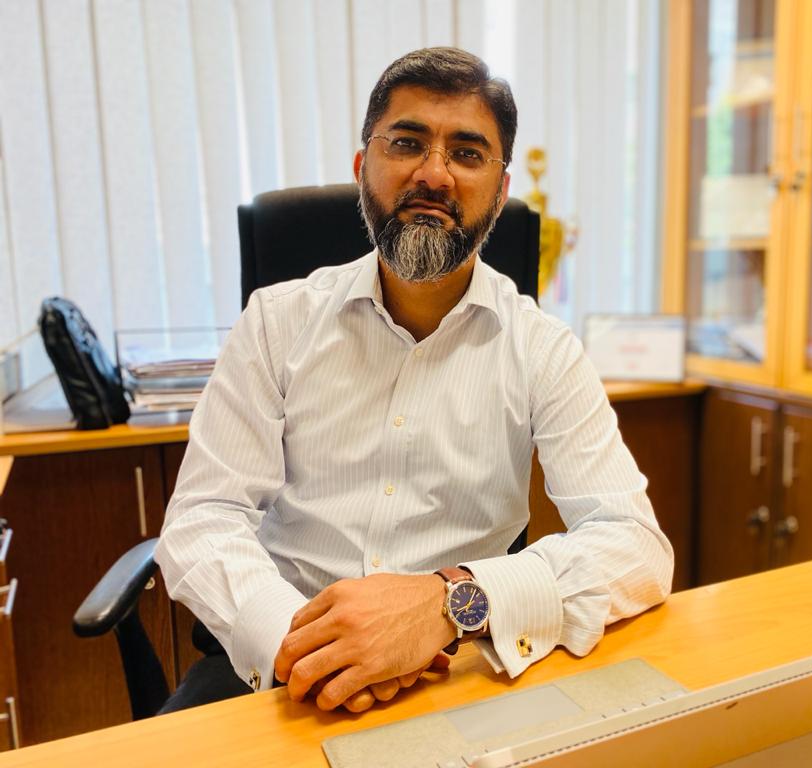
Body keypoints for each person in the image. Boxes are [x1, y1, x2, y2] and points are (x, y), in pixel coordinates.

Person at [155, 46, 673, 715]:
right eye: (406, 143)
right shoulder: (276, 323)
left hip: (456, 670)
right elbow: (204, 517)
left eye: (467, 152)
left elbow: (635, 545)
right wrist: (309, 647)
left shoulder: (543, 348)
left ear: (500, 192)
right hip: (279, 666)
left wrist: (450, 602)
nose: (434, 174)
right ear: (361, 169)